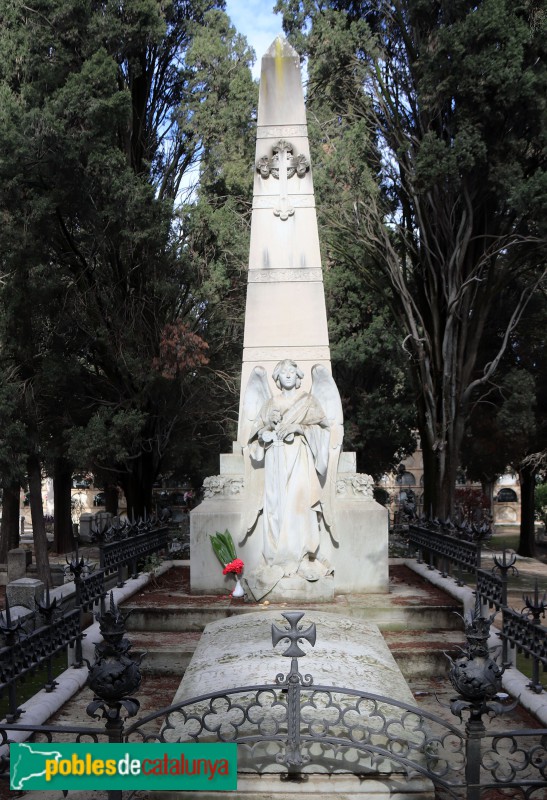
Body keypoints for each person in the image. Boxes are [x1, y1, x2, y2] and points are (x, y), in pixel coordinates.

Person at [248, 359, 331, 579]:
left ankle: (303, 557)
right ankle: (276, 556)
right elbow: (255, 436)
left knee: (300, 506)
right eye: (282, 372)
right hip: (275, 462)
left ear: (298, 377)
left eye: (291, 372)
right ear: (276, 378)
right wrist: (268, 425)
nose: (287, 375)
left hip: (300, 460)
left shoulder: (309, 402)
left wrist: (299, 428)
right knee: (276, 508)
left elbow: (324, 429)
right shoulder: (269, 404)